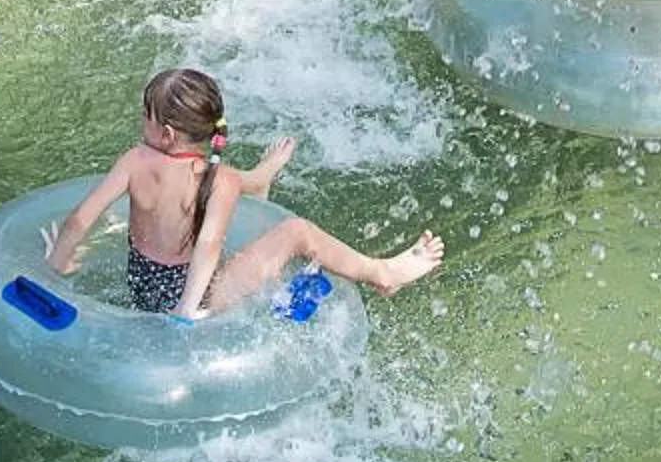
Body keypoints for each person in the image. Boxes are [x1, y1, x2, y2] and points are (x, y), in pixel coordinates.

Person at [42, 65, 444, 320]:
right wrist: (186, 311)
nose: (140, 126)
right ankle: (381, 274)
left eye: (144, 118)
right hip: (197, 299)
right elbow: (208, 246)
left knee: (233, 187)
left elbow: (80, 219)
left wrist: (55, 269)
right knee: (297, 231)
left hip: (143, 287)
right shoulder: (220, 180)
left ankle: (262, 178)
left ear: (165, 134)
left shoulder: (133, 160)